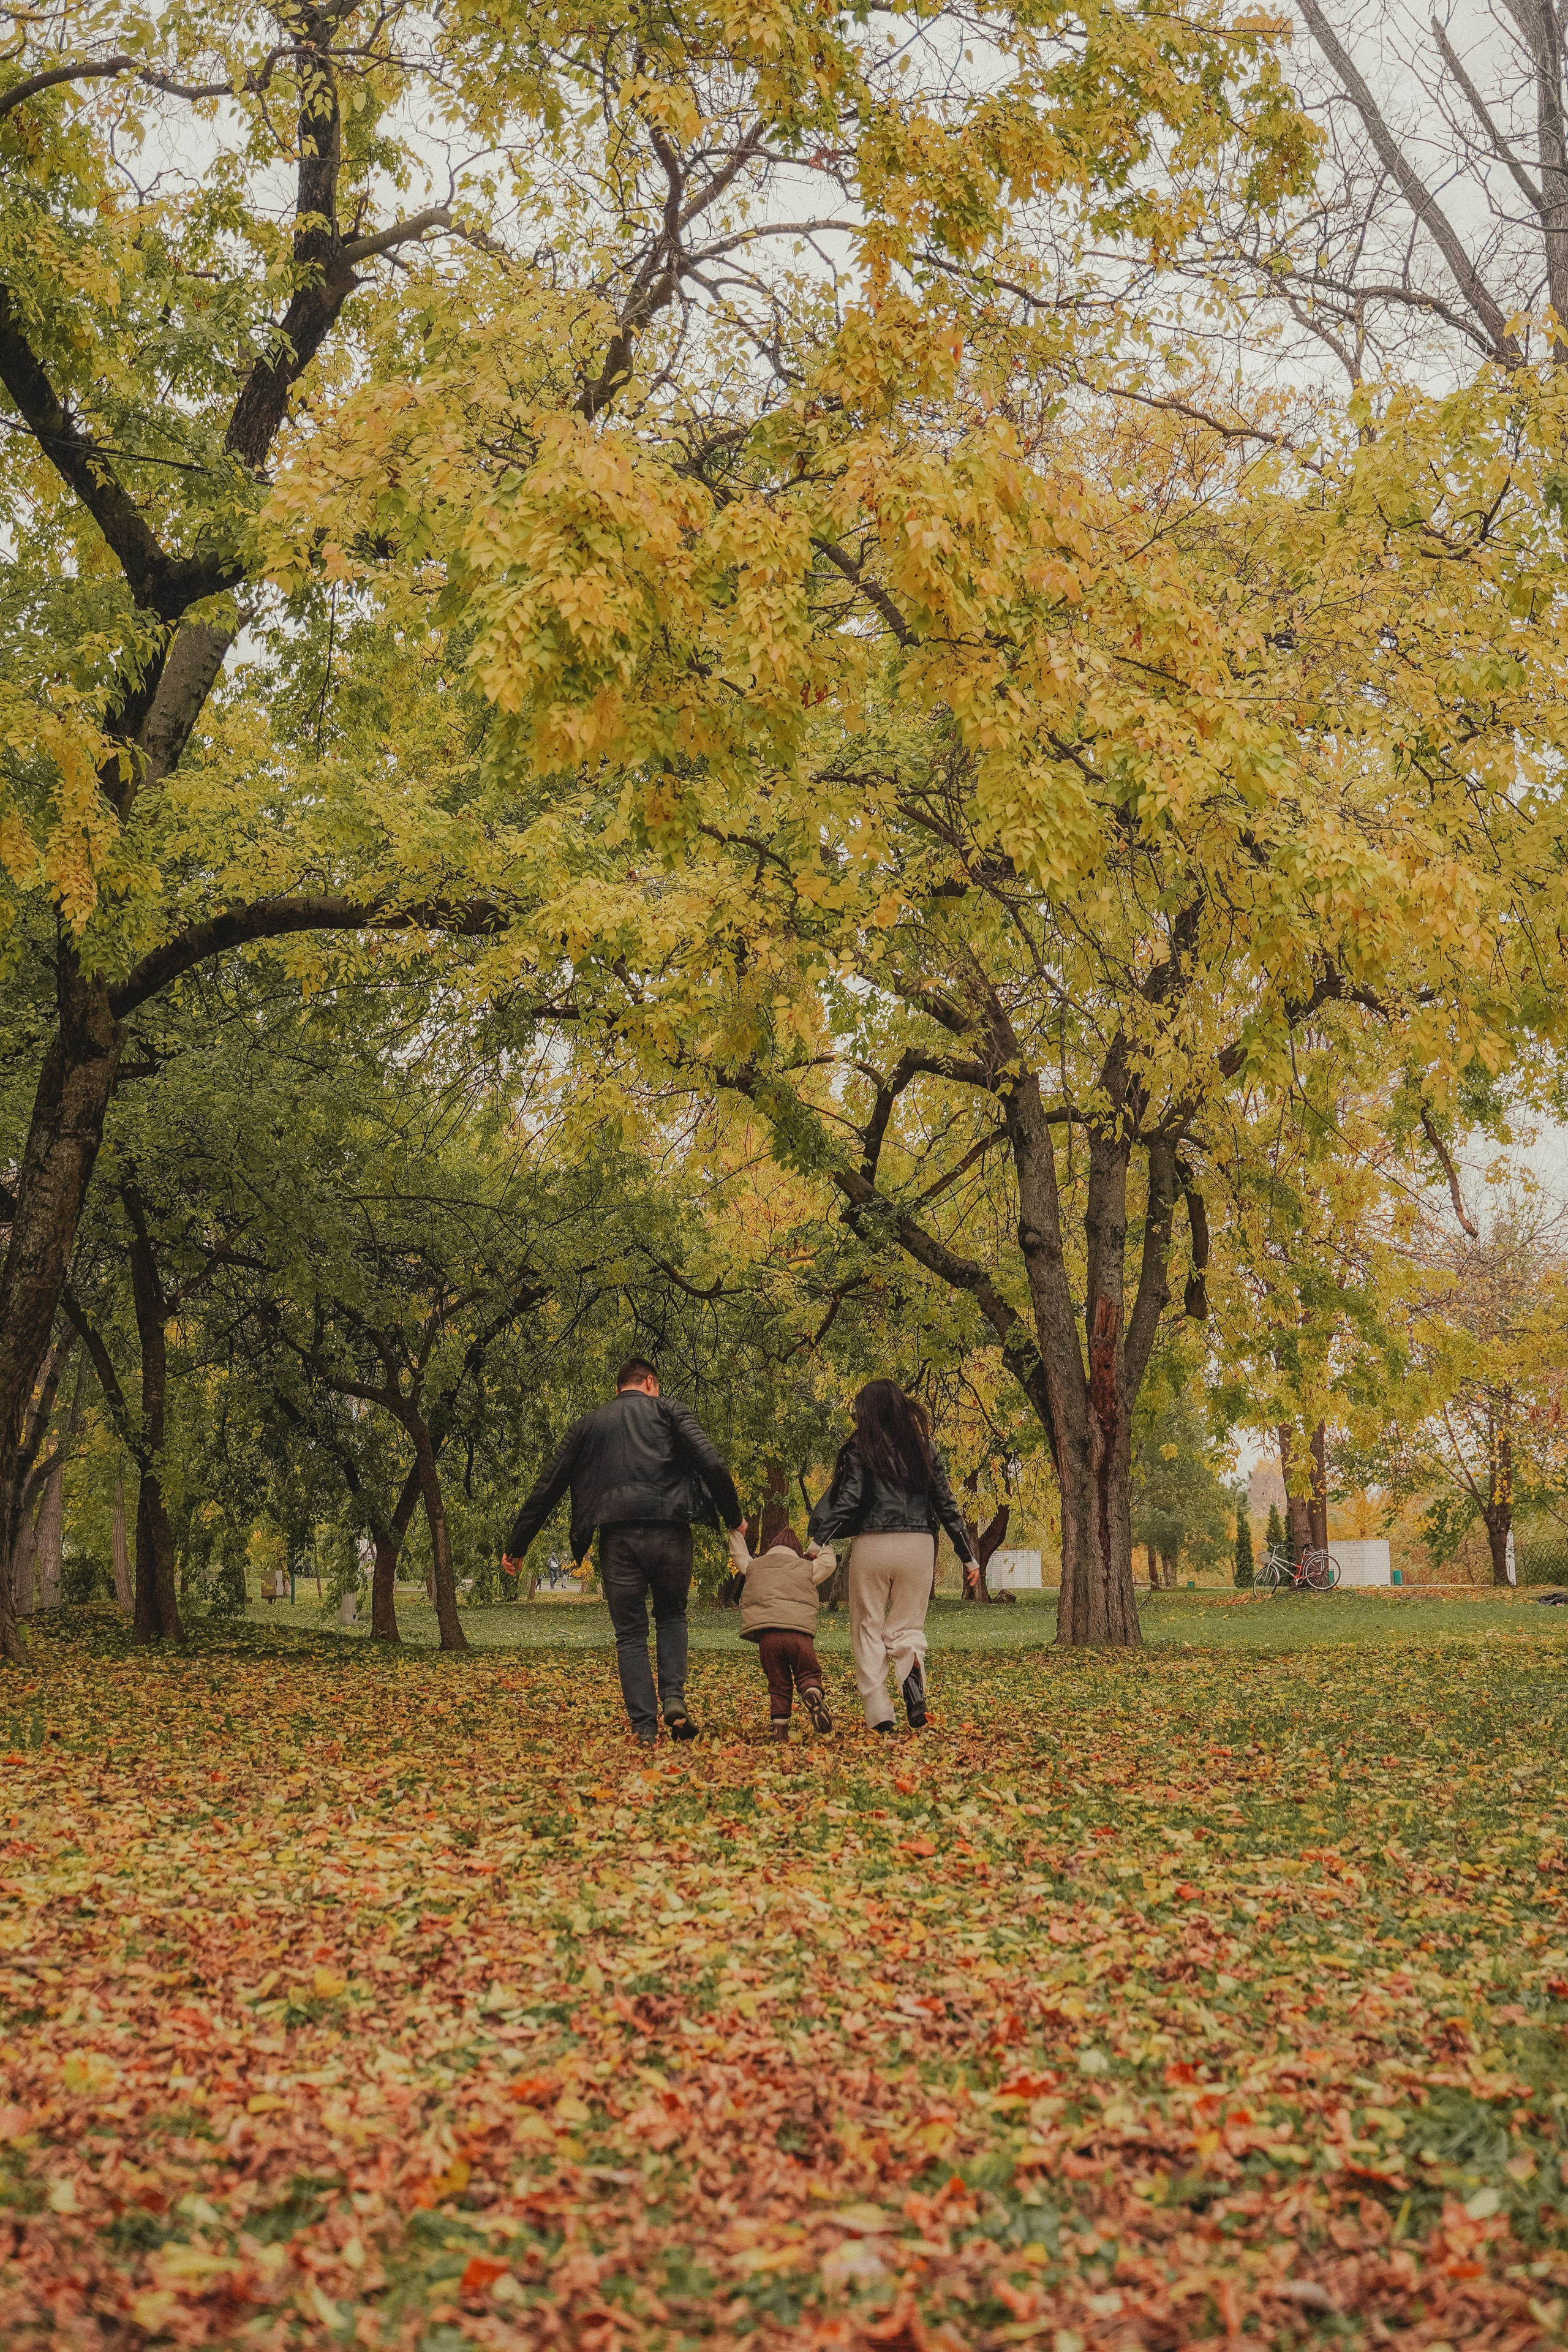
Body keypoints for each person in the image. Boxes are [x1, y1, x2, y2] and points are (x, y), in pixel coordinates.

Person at [502, 1359, 747, 1744]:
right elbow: (712, 1462)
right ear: (650, 1382)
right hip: (671, 1532)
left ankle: (645, 1728)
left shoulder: (590, 1424)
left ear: (621, 1387)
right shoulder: (670, 1412)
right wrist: (734, 1516)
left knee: (630, 1633)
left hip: (618, 1539)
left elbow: (548, 1484)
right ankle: (673, 1697)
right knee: (672, 1615)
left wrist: (518, 1544)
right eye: (658, 1385)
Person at [807, 1381, 981, 1734]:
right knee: (907, 1627)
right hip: (919, 1547)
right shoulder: (925, 1448)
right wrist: (969, 1558)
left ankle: (880, 1711)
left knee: (867, 1626)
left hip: (873, 1545)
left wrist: (819, 1540)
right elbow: (947, 1507)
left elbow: (850, 1500)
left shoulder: (861, 1448)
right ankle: (913, 1689)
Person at [737, 1527, 835, 1740]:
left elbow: (739, 1556)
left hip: (768, 1638)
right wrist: (823, 1546)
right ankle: (811, 1692)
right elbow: (829, 1564)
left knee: (779, 1683)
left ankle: (780, 1729)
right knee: (807, 1673)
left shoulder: (756, 1566)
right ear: (797, 1553)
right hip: (799, 1635)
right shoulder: (806, 1568)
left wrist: (734, 1531)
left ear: (772, 1550)